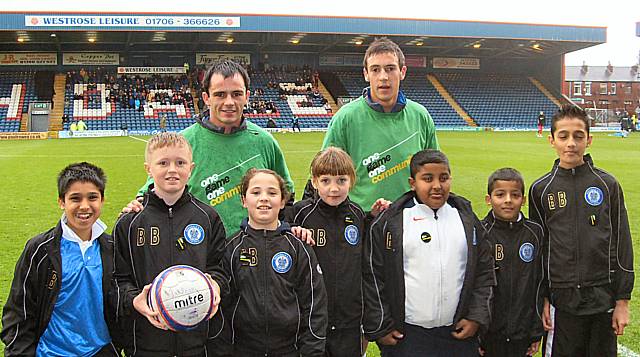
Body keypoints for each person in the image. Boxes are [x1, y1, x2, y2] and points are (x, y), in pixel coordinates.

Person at [132, 60, 294, 233]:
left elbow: (286, 195)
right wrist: (136, 205)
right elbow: (152, 193)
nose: (229, 102)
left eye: (237, 94)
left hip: (251, 252)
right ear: (206, 98)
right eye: (220, 94)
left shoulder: (265, 141)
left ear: (247, 96)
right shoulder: (182, 143)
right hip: (198, 250)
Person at [363, 149, 495, 357]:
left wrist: (476, 317)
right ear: (412, 183)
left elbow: (484, 270)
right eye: (427, 178)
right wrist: (381, 324)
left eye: (444, 178)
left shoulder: (467, 219)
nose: (437, 186)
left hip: (457, 332)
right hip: (408, 335)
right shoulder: (391, 222)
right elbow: (372, 276)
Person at [529, 105, 634, 357]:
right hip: (561, 303)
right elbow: (540, 251)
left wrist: (622, 301)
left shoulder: (607, 184)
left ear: (589, 139)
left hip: (602, 299)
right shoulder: (541, 189)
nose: (571, 143)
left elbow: (622, 244)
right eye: (563, 136)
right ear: (551, 140)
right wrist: (542, 297)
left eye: (578, 136)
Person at [113, 132, 226, 356]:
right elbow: (116, 279)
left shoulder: (208, 218)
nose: (172, 170)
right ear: (148, 169)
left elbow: (220, 269)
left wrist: (216, 286)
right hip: (146, 342)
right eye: (163, 163)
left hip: (197, 342)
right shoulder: (129, 223)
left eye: (180, 163)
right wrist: (134, 300)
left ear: (191, 168)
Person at [1, 162, 121, 356]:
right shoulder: (40, 250)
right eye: (75, 198)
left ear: (102, 200)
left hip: (101, 351)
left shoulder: (113, 248)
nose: (85, 206)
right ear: (61, 202)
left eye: (92, 197)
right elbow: (18, 311)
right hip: (52, 352)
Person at [211, 168, 328, 356]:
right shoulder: (231, 249)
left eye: (272, 193)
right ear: (243, 200)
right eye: (256, 192)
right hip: (243, 350)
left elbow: (314, 305)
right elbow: (222, 309)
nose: (264, 198)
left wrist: (311, 351)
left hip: (290, 350)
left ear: (282, 201)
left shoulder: (298, 248)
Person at [316, 37, 439, 210]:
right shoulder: (345, 118)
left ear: (402, 71)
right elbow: (326, 173)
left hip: (411, 218)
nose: (383, 77)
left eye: (390, 68)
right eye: (375, 69)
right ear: (366, 74)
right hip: (360, 220)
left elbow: (434, 170)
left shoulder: (420, 116)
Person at [288, 147, 389, 357]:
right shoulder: (300, 214)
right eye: (326, 181)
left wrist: (375, 217)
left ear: (351, 181)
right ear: (314, 182)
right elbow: (276, 233)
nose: (334, 189)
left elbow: (368, 255)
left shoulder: (357, 214)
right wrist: (290, 230)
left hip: (349, 317)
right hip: (312, 316)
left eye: (341, 180)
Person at [479, 168, 544, 357]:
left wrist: (536, 332)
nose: (508, 200)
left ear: (523, 200)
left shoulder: (535, 233)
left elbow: (539, 284)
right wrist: (477, 333)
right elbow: (474, 286)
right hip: (489, 335)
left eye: (515, 195)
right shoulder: (480, 233)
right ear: (488, 199)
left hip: (522, 335)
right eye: (500, 194)